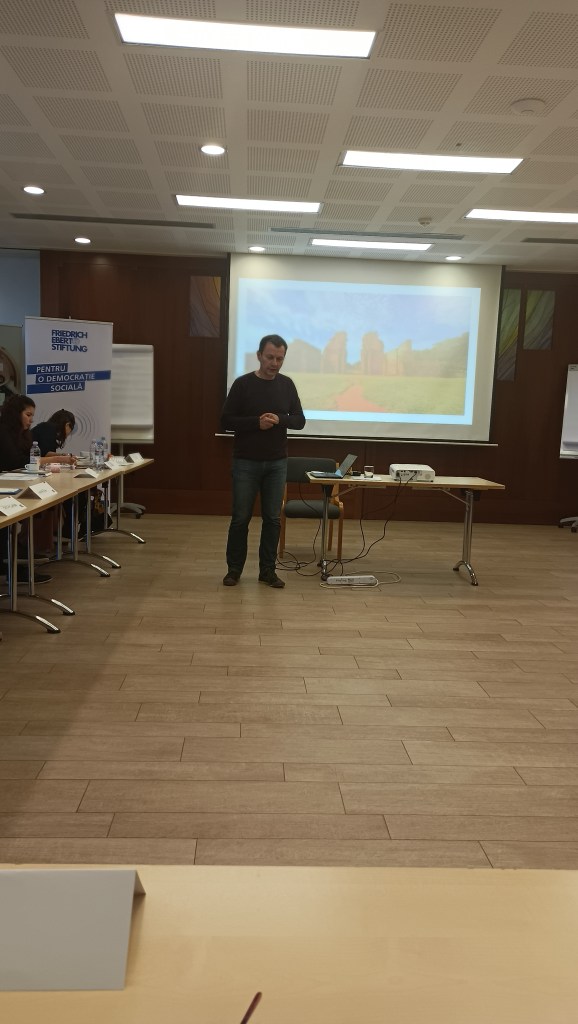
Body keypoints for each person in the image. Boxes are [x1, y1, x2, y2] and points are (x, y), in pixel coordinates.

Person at [221, 334, 305, 588]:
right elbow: (225, 421)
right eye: (270, 357)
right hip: (245, 462)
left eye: (280, 359)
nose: (275, 363)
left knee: (272, 519)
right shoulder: (243, 384)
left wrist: (280, 419)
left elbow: (299, 420)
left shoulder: (287, 385)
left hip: (277, 463)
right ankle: (234, 570)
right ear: (259, 356)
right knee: (240, 518)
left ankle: (267, 571)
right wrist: (255, 423)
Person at [0, 394, 53, 583]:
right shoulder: (3, 431)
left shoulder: (21, 434)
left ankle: (15, 559)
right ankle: (11, 566)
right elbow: (14, 461)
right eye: (28, 415)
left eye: (32, 416)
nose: (31, 420)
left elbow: (25, 460)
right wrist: (47, 460)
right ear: (16, 414)